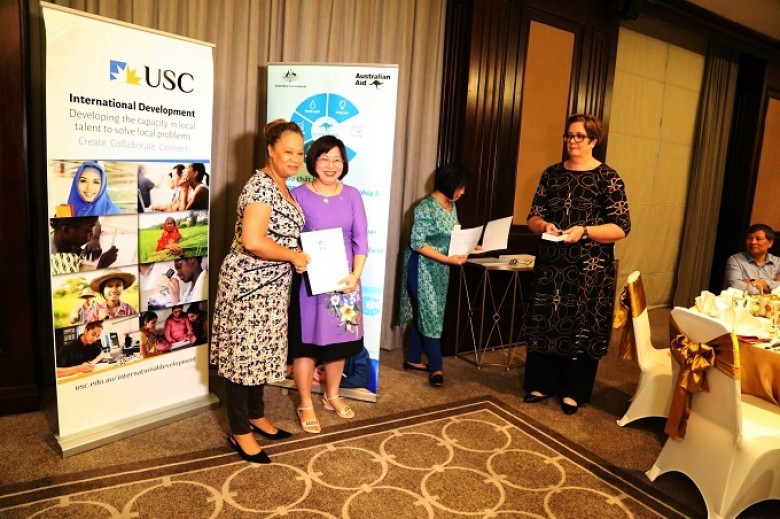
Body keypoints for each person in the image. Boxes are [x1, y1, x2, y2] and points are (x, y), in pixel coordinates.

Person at [210, 119, 310, 463]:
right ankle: (240, 432)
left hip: (271, 287)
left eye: (300, 153)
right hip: (248, 286)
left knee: (260, 353)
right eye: (288, 152)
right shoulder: (260, 187)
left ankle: (256, 415)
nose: (295, 159)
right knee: (242, 358)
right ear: (270, 150)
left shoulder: (283, 186)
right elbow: (253, 241)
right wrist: (293, 256)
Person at [522, 113, 631, 415]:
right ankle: (541, 384)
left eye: (579, 136)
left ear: (594, 140)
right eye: (569, 135)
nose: (572, 141)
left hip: (588, 271)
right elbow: (532, 217)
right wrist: (543, 225)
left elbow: (621, 227)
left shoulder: (608, 177)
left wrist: (584, 231)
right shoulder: (551, 174)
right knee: (546, 322)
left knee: (582, 327)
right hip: (551, 267)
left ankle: (574, 391)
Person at [289, 135, 368, 434]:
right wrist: (297, 256)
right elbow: (288, 238)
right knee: (306, 345)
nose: (331, 165)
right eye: (324, 159)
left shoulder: (353, 195)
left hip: (344, 281)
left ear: (344, 163)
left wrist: (355, 276)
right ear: (313, 161)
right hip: (309, 283)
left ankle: (331, 395)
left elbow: (361, 239)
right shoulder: (298, 195)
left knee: (339, 343)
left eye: (337, 159)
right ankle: (305, 402)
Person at [399, 162, 472, 387]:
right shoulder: (425, 207)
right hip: (421, 268)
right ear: (449, 183)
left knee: (429, 313)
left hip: (440, 269)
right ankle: (437, 366)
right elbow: (417, 243)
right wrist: (448, 259)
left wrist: (470, 246)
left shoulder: (451, 205)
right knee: (430, 313)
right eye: (460, 187)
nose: (463, 192)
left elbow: (451, 237)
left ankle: (413, 359)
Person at [724, 223, 779, 295]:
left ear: (770, 243)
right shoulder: (735, 260)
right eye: (749, 238)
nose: (753, 242)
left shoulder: (778, 262)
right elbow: (735, 285)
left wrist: (754, 282)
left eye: (758, 239)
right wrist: (767, 290)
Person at [50, 216, 117, 275]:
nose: (92, 233)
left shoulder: (62, 237)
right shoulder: (59, 264)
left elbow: (96, 222)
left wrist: (95, 238)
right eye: (89, 230)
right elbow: (80, 284)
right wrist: (102, 266)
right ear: (67, 230)